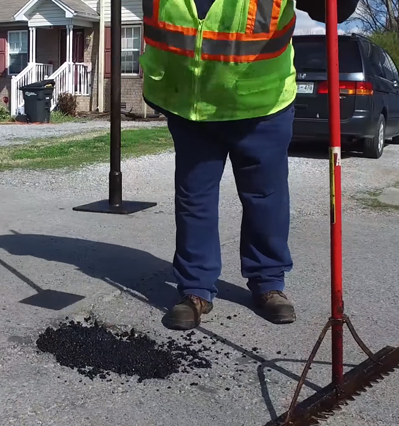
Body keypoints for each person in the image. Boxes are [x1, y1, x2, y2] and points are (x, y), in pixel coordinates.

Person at [141, 0, 356, 330]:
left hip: (261, 105)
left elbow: (331, 9)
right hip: (191, 103)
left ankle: (268, 283)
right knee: (194, 200)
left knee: (265, 200)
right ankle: (195, 290)